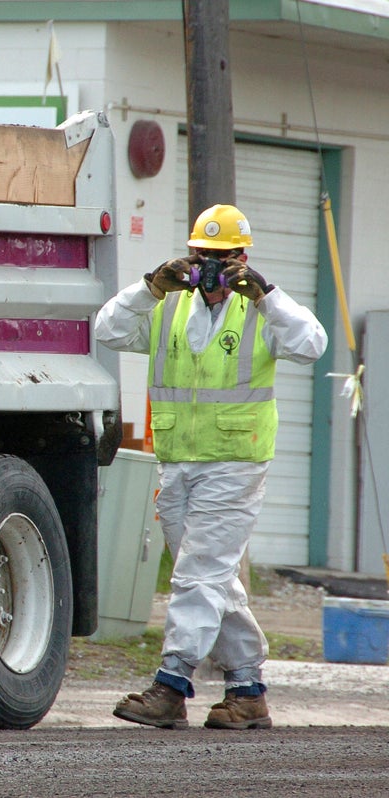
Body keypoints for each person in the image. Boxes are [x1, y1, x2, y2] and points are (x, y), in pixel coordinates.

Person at [95, 204, 327, 730]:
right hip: (177, 461)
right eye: (204, 256)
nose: (213, 269)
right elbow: (107, 330)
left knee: (199, 573)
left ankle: (172, 684)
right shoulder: (168, 306)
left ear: (243, 259)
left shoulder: (261, 312)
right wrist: (149, 288)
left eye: (224, 258)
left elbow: (312, 344)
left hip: (236, 463)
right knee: (209, 578)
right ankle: (247, 689)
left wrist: (267, 296)